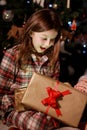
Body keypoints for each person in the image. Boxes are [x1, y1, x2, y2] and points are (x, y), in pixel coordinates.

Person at [0, 8, 79, 130]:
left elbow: (53, 89)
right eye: (44, 38)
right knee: (36, 124)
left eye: (52, 39)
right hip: (15, 109)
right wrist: (10, 109)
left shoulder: (53, 59)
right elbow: (1, 92)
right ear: (31, 32)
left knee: (66, 116)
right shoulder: (13, 55)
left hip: (44, 109)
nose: (48, 44)